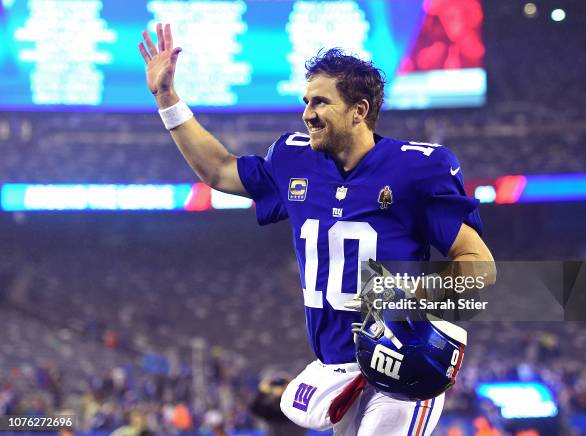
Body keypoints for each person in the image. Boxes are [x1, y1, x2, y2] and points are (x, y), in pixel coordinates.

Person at [138, 23, 495, 436]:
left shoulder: (418, 168)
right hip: (335, 368)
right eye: (306, 101)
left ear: (359, 110)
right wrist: (166, 98)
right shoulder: (294, 159)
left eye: (321, 102)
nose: (307, 113)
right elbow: (219, 170)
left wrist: (410, 293)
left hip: (400, 364)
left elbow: (478, 265)